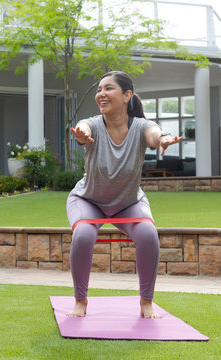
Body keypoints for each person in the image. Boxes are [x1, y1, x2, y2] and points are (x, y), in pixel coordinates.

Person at [67, 71, 182, 319]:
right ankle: (80, 301)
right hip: (88, 200)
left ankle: (146, 302)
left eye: (109, 89)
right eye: (99, 90)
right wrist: (81, 133)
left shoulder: (141, 126)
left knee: (148, 234)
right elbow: (84, 126)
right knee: (84, 234)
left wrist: (163, 138)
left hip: (128, 202)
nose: (101, 94)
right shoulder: (94, 124)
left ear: (126, 95)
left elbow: (153, 134)